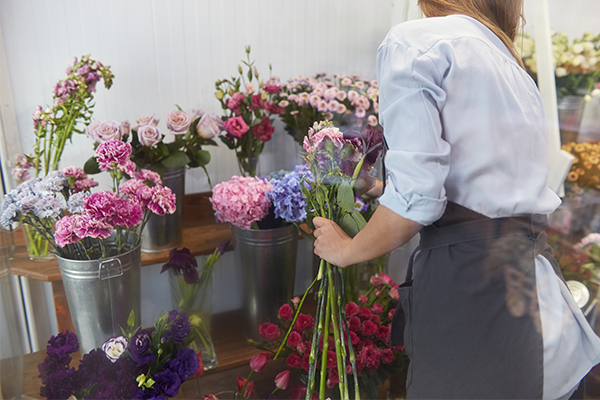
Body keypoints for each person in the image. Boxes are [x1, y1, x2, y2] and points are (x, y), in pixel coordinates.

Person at [312, 1, 600, 399]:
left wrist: (346, 250)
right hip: (542, 302)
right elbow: (489, 186)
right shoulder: (508, 60)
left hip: (476, 301)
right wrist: (380, 189)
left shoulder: (416, 41)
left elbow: (417, 201)